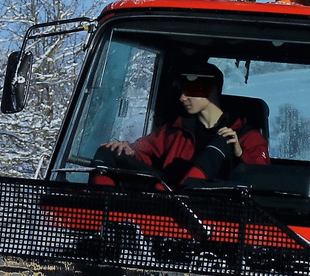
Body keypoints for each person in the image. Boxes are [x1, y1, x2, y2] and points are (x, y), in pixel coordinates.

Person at [100, 63, 269, 187]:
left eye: (189, 91)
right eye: (181, 91)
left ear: (211, 90)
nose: (182, 98)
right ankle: (99, 215)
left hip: (214, 210)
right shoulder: (175, 130)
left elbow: (263, 179)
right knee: (109, 152)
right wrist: (130, 150)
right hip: (165, 194)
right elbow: (145, 149)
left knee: (223, 140)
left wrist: (239, 153)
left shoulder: (246, 135)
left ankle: (174, 198)